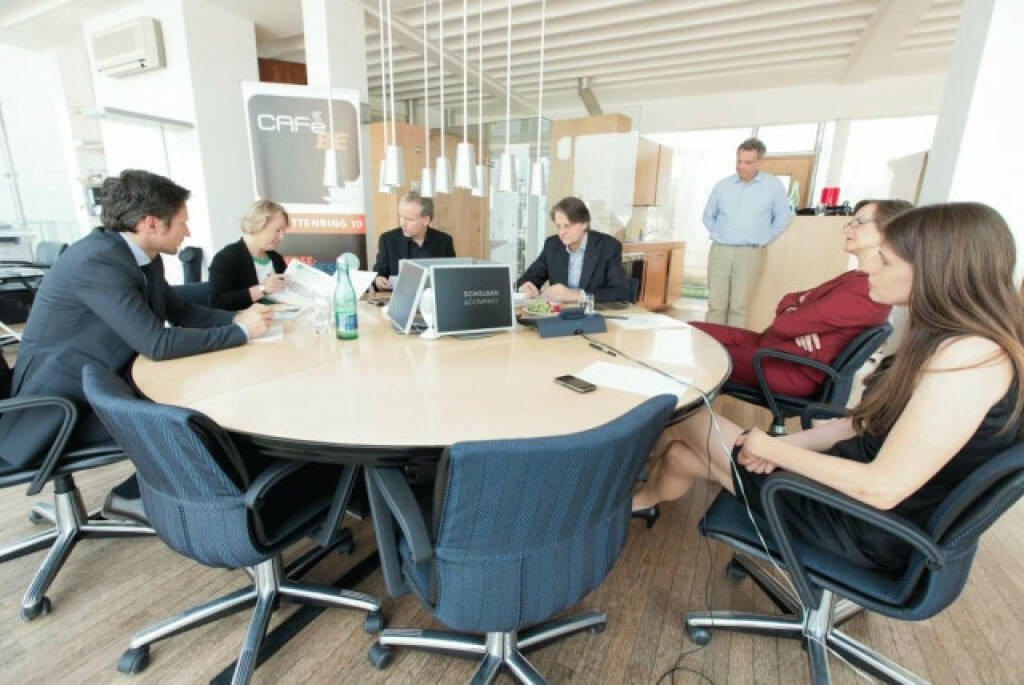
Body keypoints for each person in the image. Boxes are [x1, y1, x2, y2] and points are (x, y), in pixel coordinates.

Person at [633, 202, 1024, 572]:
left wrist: (773, 449)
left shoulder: (971, 359)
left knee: (682, 410)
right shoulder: (942, 339)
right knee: (681, 455)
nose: (871, 270)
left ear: (934, 271)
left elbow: (881, 489)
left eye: (886, 261)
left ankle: (613, 484)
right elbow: (862, 424)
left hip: (860, 521)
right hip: (848, 488)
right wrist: (785, 447)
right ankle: (638, 500)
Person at [0, 169, 272, 523]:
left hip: (99, 383)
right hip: (61, 409)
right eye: (183, 222)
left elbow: (181, 311)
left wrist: (240, 319)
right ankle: (132, 497)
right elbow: (157, 343)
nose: (188, 232)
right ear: (151, 224)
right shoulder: (97, 262)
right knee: (196, 416)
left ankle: (149, 492)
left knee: (199, 394)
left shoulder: (140, 256)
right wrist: (241, 333)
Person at [690, 199, 911, 397]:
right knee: (689, 330)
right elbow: (792, 299)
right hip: (774, 348)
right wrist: (798, 312)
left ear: (888, 229)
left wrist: (799, 315)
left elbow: (784, 325)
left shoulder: (866, 289)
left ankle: (681, 412)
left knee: (693, 349)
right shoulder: (855, 278)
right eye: (850, 221)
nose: (848, 228)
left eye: (859, 222)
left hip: (786, 367)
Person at [703, 138, 792, 326]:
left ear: (760, 162)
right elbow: (708, 216)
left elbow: (783, 217)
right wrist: (721, 234)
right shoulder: (723, 186)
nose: (741, 166)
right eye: (739, 161)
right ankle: (711, 341)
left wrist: (764, 238)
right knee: (716, 304)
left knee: (739, 306)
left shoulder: (772, 185)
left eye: (748, 162)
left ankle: (733, 343)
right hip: (721, 250)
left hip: (750, 253)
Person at [516, 196, 630, 303]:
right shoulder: (552, 245)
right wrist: (525, 287)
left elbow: (621, 292)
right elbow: (526, 279)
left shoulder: (608, 246)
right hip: (559, 313)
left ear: (584, 224)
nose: (561, 233)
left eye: (567, 226)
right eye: (558, 226)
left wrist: (576, 295)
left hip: (593, 313)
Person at [208, 199, 290, 310]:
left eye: (284, 231)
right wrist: (263, 289)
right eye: (277, 230)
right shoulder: (226, 258)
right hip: (248, 319)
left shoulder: (276, 258)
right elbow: (218, 303)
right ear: (257, 225)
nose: (282, 237)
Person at [372, 191, 455, 291]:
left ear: (426, 220)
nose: (402, 223)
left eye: (409, 219)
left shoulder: (444, 241)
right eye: (401, 216)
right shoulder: (388, 240)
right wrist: (378, 279)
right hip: (399, 298)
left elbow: (452, 278)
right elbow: (379, 273)